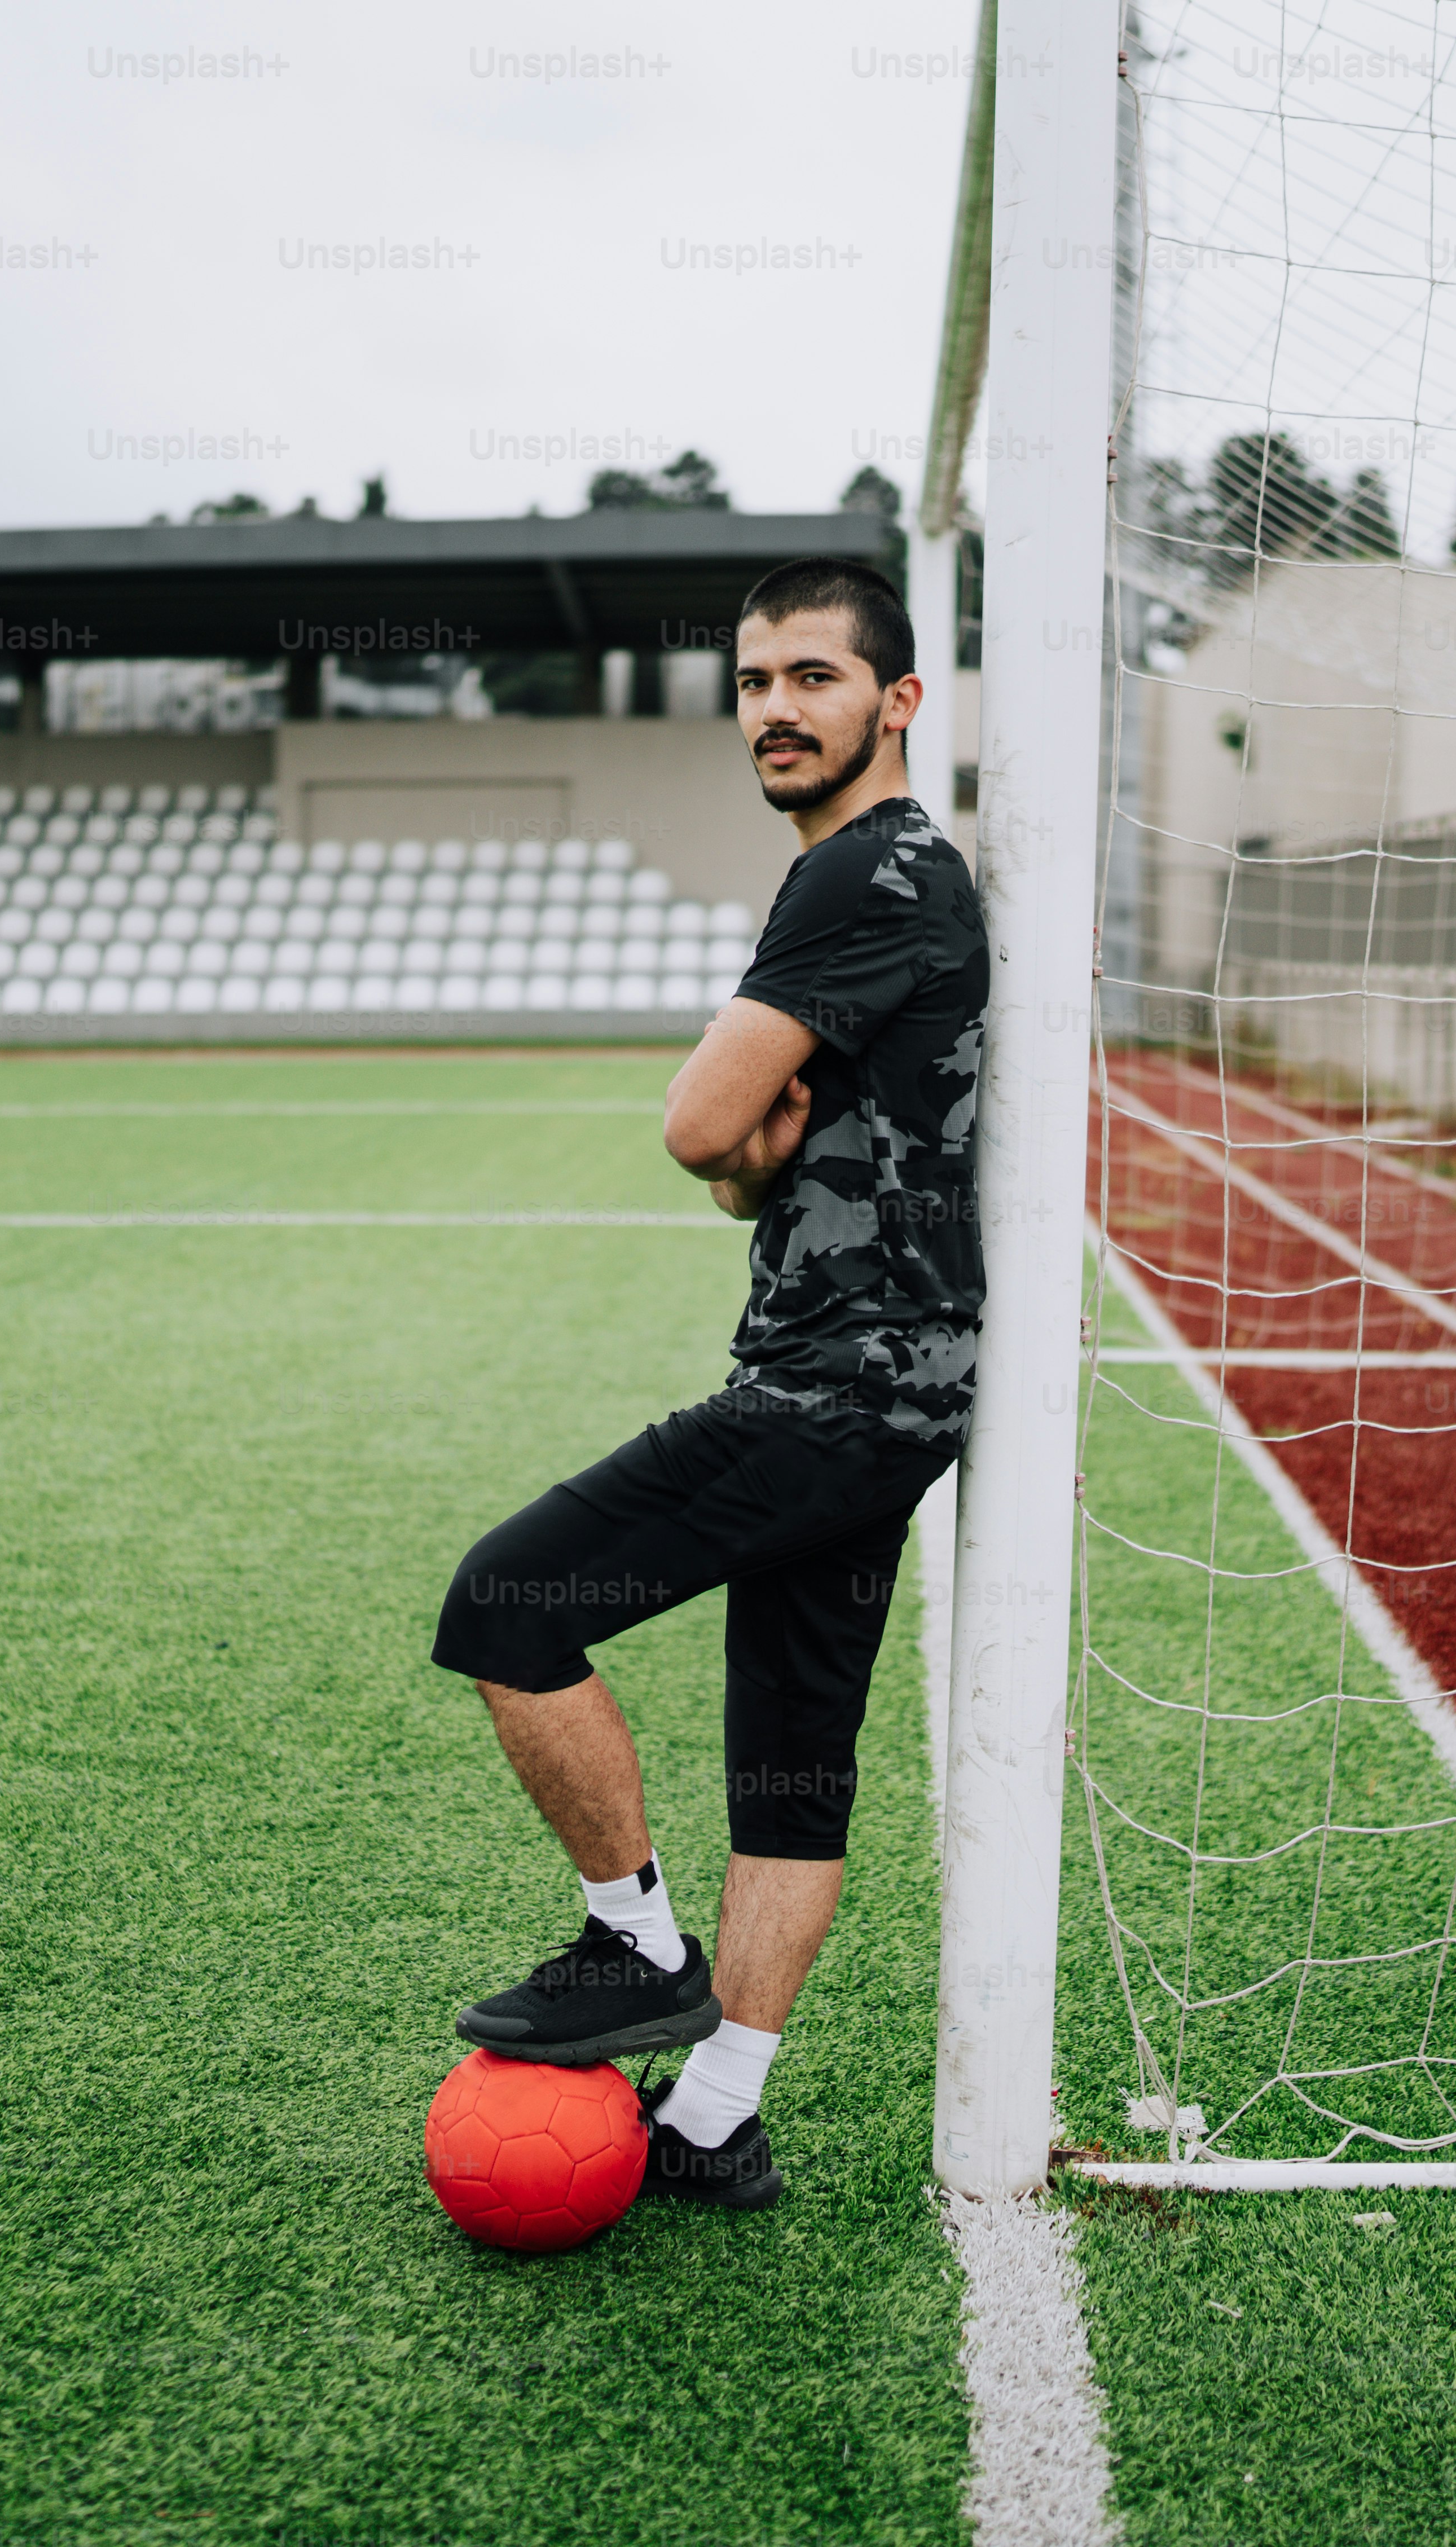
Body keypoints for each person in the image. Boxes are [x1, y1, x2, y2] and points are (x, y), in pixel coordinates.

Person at [429, 555, 987, 2211]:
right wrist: (745, 1144)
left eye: (812, 678)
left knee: (509, 1601)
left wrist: (734, 1132)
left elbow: (697, 1131)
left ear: (892, 701)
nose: (773, 710)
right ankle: (712, 2116)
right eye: (752, 682)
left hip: (833, 1386)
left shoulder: (864, 873)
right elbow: (750, 1171)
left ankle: (634, 1942)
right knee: (795, 1766)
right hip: (898, 1390)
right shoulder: (888, 871)